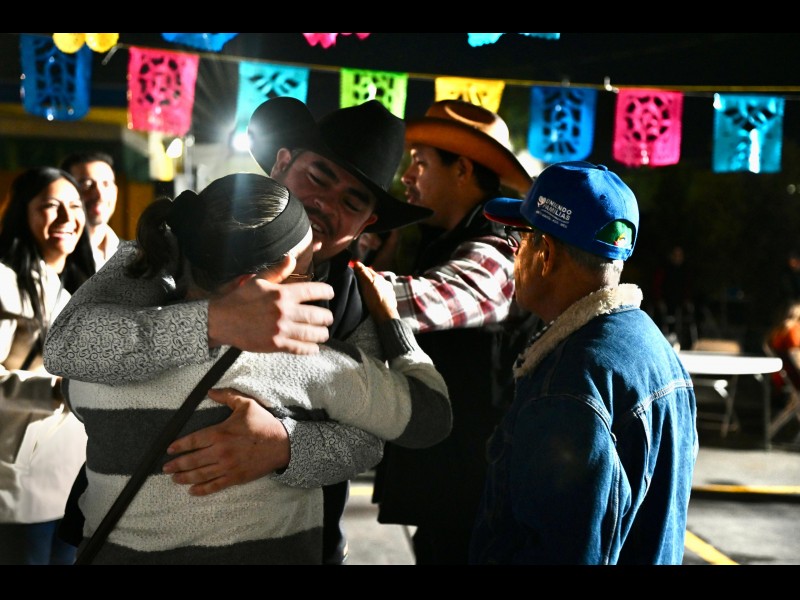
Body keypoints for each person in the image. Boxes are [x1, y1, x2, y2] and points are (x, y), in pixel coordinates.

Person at [44, 97, 433, 564]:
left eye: (351, 202)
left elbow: (372, 438)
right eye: (318, 177)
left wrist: (285, 447)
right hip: (127, 534)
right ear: (282, 162)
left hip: (290, 544)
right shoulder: (169, 246)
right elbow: (66, 346)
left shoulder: (358, 299)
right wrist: (213, 321)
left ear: (366, 224)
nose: (325, 204)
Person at [471, 161, 698, 565]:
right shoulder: (654, 349)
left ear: (545, 254)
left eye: (519, 239)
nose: (514, 253)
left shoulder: (569, 382)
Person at [368, 99, 538, 565]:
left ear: (462, 170)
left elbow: (423, 302)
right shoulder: (448, 240)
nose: (406, 177)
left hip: (477, 497)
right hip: (452, 487)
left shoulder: (499, 246)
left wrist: (331, 280)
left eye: (420, 163)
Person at [0, 167, 92, 564]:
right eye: (50, 206)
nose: (66, 218)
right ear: (23, 212)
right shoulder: (4, 282)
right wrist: (54, 391)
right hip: (20, 476)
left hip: (73, 475)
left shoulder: (81, 282)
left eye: (74, 206)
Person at [60, 151, 121, 270]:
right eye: (87, 184)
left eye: (106, 184)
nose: (99, 194)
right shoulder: (57, 256)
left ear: (116, 191)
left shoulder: (133, 256)